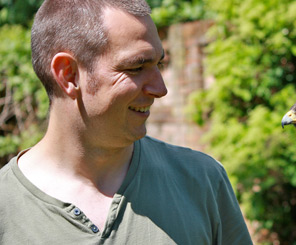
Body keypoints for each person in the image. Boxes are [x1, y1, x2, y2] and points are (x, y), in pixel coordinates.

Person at [0, 0, 252, 244]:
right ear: (69, 74)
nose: (160, 89)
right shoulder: (6, 206)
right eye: (136, 67)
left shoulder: (203, 181)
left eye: (159, 64)